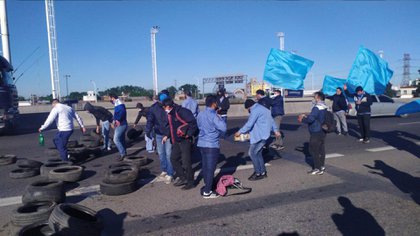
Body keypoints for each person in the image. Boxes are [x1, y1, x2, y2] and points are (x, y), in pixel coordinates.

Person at [235, 99, 280, 181]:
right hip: (265, 135)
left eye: (248, 109)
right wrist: (276, 130)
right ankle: (263, 172)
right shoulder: (265, 109)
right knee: (258, 154)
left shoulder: (255, 110)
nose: (249, 111)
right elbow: (272, 121)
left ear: (249, 107)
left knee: (252, 153)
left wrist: (239, 132)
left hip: (259, 136)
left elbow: (249, 124)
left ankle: (257, 173)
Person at [162, 98, 198, 190]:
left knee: (186, 162)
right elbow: (172, 127)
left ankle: (190, 182)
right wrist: (167, 136)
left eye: (164, 107)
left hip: (185, 140)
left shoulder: (182, 112)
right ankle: (183, 177)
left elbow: (193, 123)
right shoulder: (170, 114)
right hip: (176, 141)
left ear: (169, 106)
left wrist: (188, 135)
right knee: (173, 159)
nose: (164, 109)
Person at [197, 95, 227, 198]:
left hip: (201, 143)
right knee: (210, 169)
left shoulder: (200, 114)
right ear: (214, 104)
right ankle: (207, 191)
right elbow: (223, 128)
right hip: (211, 144)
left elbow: (198, 126)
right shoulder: (214, 115)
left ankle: (207, 184)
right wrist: (220, 118)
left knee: (205, 167)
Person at [145, 90, 174, 184]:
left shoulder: (172, 107)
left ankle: (170, 174)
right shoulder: (153, 108)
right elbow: (150, 120)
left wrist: (169, 134)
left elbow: (174, 122)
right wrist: (147, 131)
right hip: (158, 134)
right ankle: (164, 170)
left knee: (169, 154)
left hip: (168, 134)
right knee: (161, 154)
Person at [298, 91, 328, 175]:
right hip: (323, 129)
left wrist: (303, 119)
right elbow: (317, 117)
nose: (313, 99)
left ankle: (317, 168)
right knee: (321, 149)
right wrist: (308, 116)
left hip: (316, 130)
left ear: (318, 97)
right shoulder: (325, 106)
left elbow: (311, 119)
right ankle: (322, 166)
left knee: (313, 150)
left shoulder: (317, 107)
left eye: (314, 97)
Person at [109, 94, 127, 161]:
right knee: (122, 140)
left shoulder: (119, 105)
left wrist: (116, 121)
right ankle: (124, 153)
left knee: (116, 140)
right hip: (122, 124)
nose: (110, 100)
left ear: (113, 97)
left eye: (110, 98)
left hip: (121, 125)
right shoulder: (117, 104)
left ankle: (122, 154)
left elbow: (120, 114)